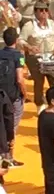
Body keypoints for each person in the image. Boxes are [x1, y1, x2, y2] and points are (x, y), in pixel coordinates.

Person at [0, 28, 25, 167]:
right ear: (16, 39)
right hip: (12, 96)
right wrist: (24, 94)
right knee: (12, 127)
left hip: (0, 94)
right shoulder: (18, 56)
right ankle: (9, 156)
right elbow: (20, 79)